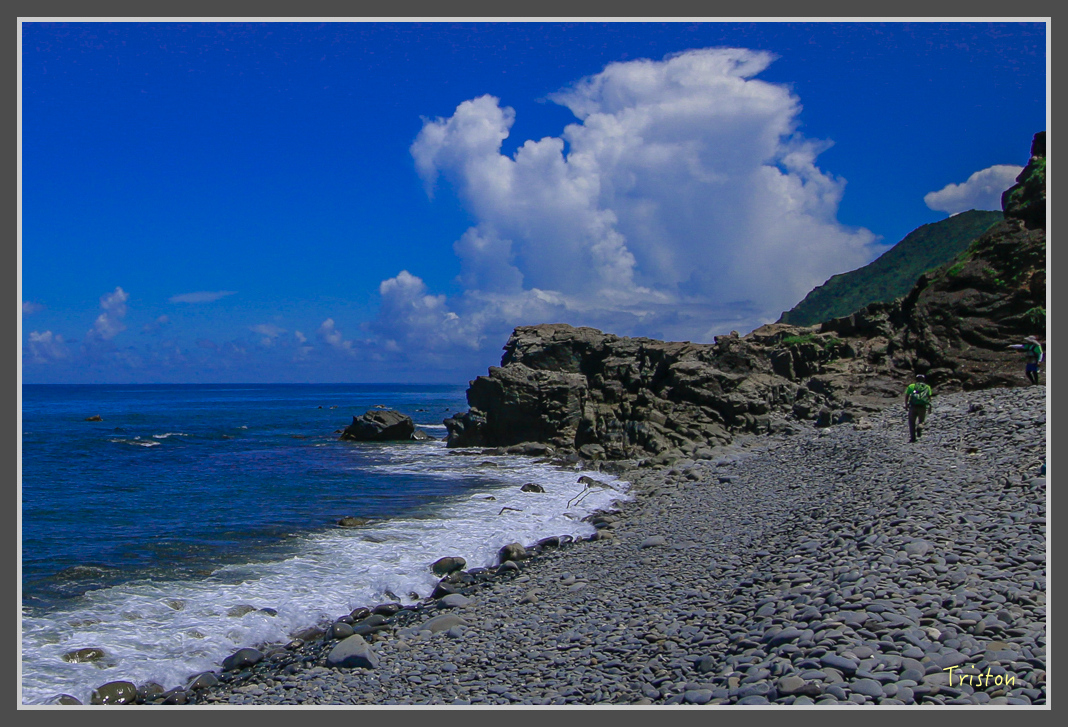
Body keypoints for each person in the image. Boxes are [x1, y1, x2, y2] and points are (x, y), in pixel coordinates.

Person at [904, 374, 933, 443]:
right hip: (922, 407)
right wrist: (929, 407)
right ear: (923, 380)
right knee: (921, 421)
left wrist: (906, 404)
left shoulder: (911, 386)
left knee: (911, 422)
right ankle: (919, 427)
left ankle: (913, 438)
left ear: (916, 379)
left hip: (913, 406)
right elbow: (929, 398)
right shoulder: (927, 387)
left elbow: (907, 396)